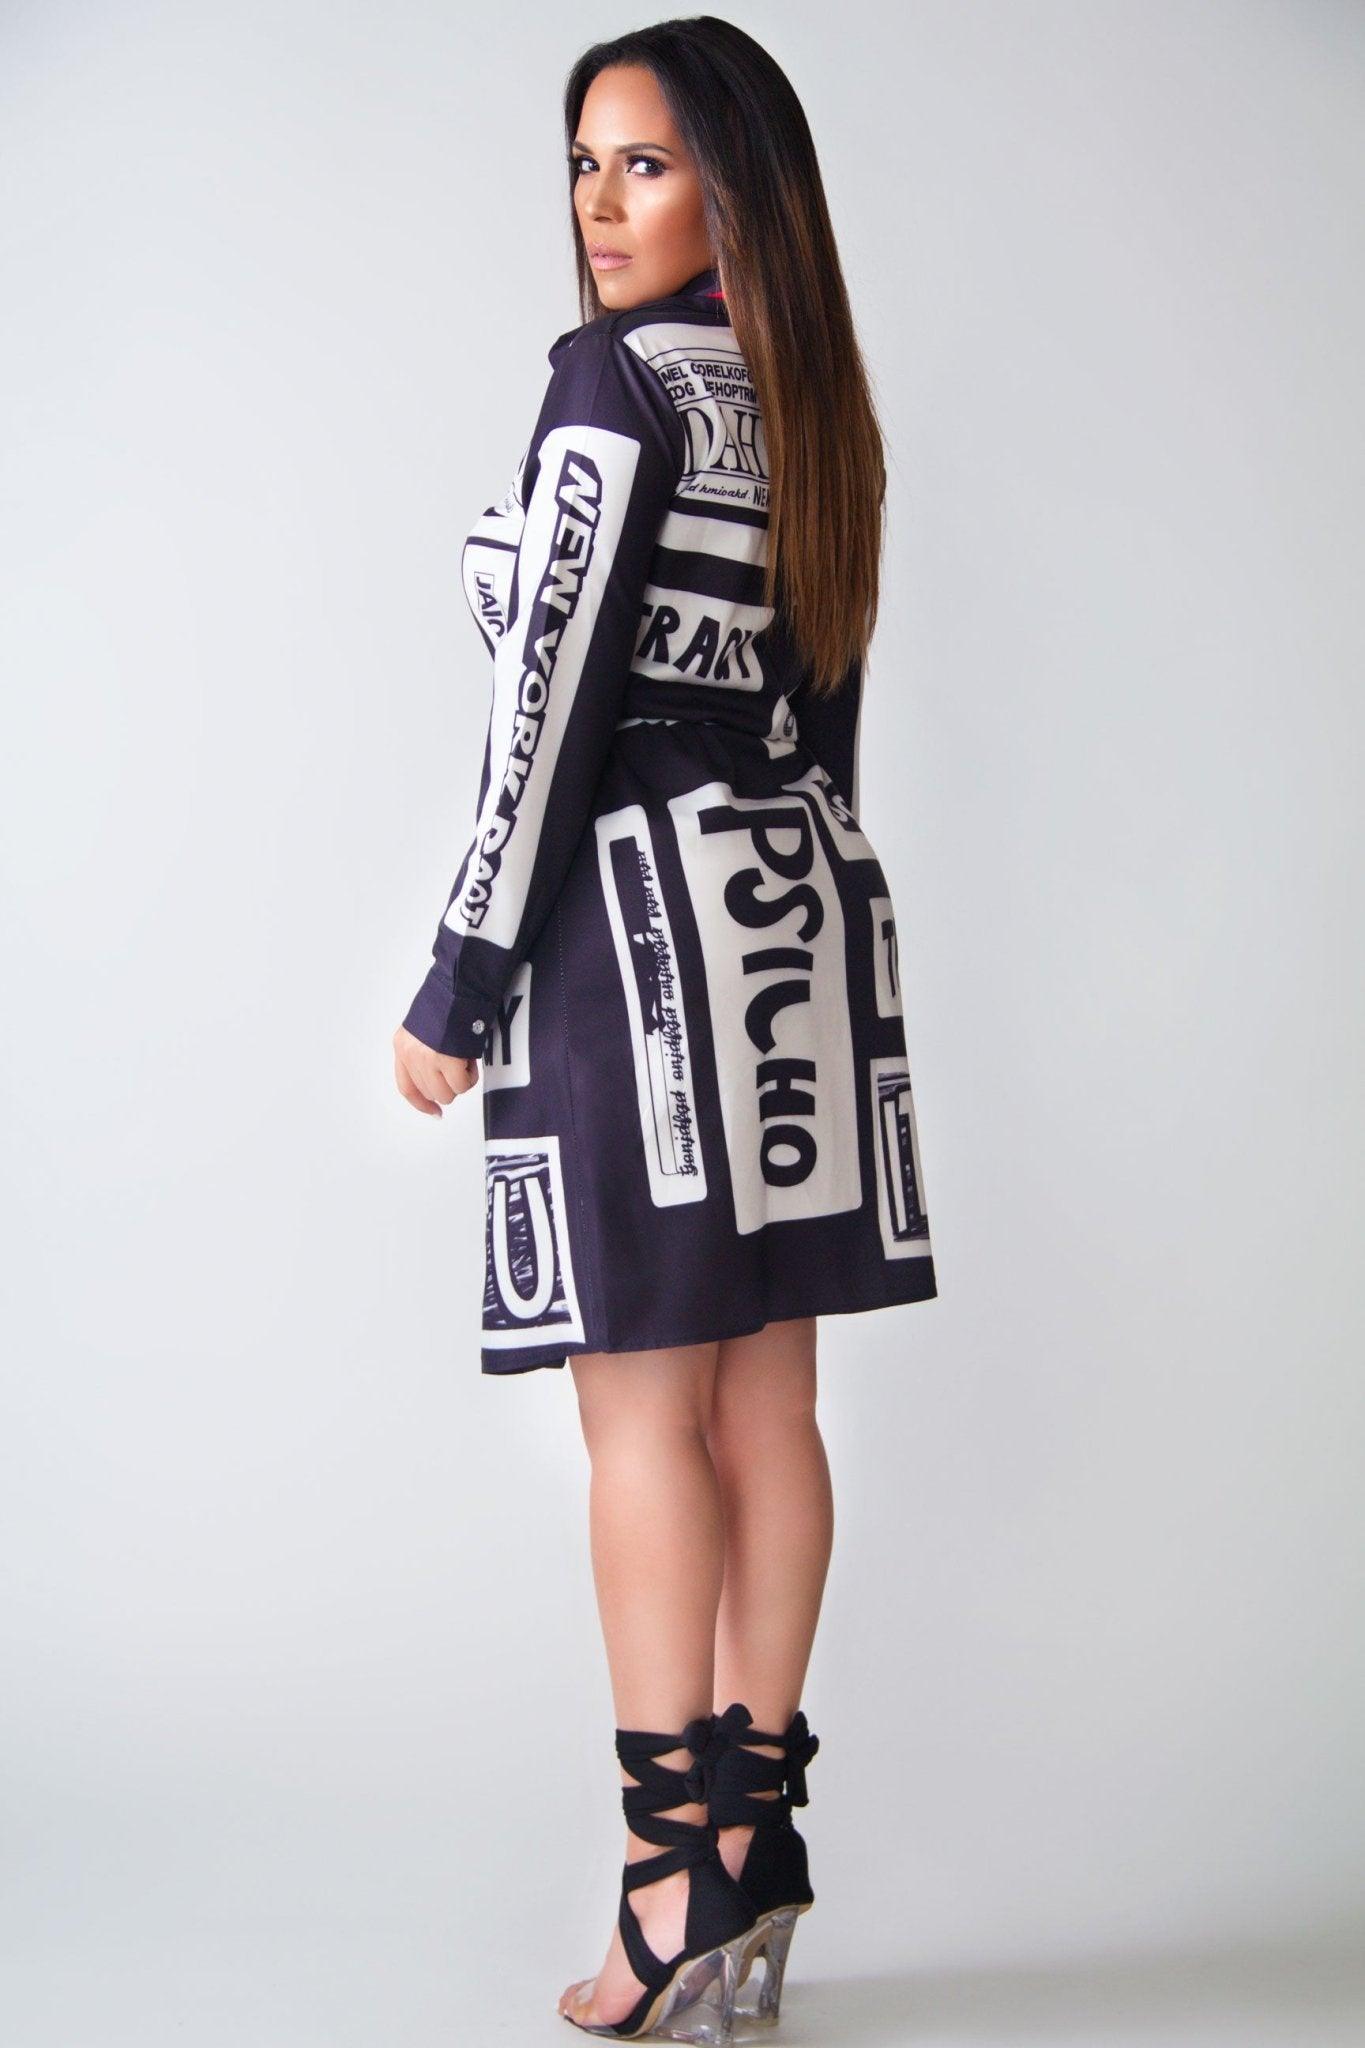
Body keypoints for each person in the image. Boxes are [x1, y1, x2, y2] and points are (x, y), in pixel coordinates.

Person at [392, 19, 937, 2041]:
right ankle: (756, 1840)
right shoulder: (814, 399)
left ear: (733, 180)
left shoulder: (608, 384)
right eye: (582, 163)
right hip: (800, 924)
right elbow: (823, 715)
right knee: (766, 1410)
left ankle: (663, 1880)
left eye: (641, 162)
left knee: (639, 1419)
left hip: (633, 938)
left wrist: (460, 979)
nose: (597, 204)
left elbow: (545, 719)